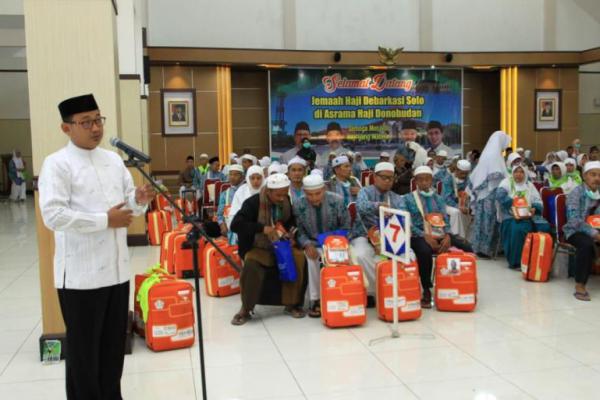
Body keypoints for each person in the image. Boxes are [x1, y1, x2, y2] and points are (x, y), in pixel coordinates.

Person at [38, 94, 155, 399]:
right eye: (85, 122)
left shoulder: (113, 159)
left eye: (98, 120)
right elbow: (54, 215)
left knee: (112, 350)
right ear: (67, 128)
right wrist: (105, 220)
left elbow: (126, 205)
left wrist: (138, 201)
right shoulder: (57, 164)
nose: (95, 128)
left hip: (116, 273)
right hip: (80, 277)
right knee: (84, 356)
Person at [230, 173, 306, 324]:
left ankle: (292, 304)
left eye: (285, 194)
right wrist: (262, 228)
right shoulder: (253, 203)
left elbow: (290, 221)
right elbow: (236, 225)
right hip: (257, 246)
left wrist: (290, 234)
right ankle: (246, 308)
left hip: (280, 244)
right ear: (269, 191)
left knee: (299, 258)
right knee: (251, 264)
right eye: (278, 194)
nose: (281, 198)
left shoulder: (285, 200)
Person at [401, 166, 472, 308]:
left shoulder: (438, 199)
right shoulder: (408, 199)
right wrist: (424, 235)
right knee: (424, 252)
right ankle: (426, 289)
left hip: (440, 233)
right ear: (415, 182)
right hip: (418, 235)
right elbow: (406, 223)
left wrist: (447, 236)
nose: (424, 183)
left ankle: (460, 285)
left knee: (467, 247)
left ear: (431, 180)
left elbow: (445, 219)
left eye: (427, 179)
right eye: (420, 180)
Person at [293, 174, 351, 317]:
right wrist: (306, 245)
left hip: (336, 242)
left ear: (324, 189)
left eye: (318, 193)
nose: (314, 198)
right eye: (310, 195)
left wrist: (335, 242)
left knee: (345, 257)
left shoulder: (337, 201)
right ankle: (316, 299)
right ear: (305, 193)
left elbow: (347, 226)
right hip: (313, 243)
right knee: (312, 259)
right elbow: (298, 230)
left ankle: (342, 294)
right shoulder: (298, 204)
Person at [351, 162, 404, 303]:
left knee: (409, 256)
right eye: (384, 177)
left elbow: (402, 218)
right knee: (361, 255)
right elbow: (361, 207)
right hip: (363, 234)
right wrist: (378, 206)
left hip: (389, 236)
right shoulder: (365, 192)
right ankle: (373, 292)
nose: (387, 181)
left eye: (391, 178)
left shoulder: (396, 198)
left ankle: (394, 288)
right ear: (375, 177)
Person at [496, 164, 550, 269]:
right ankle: (516, 262)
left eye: (521, 172)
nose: (519, 174)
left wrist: (535, 208)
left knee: (544, 228)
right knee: (518, 229)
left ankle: (539, 262)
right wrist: (515, 205)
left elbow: (537, 200)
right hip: (511, 215)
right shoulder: (506, 183)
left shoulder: (529, 185)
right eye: (516, 171)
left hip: (529, 215)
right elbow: (499, 196)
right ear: (513, 173)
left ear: (525, 173)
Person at [468, 131, 511, 259]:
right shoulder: (495, 156)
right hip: (490, 195)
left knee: (481, 221)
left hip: (483, 195)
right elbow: (497, 176)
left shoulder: (487, 155)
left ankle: (479, 247)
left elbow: (476, 177)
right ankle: (487, 249)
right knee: (489, 221)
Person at [563, 161, 600, 301]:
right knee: (586, 244)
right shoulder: (576, 193)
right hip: (575, 231)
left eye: (599, 175)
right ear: (585, 176)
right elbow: (574, 219)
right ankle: (580, 284)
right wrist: (594, 234)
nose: (596, 178)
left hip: (597, 229)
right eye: (593, 175)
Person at [441, 159, 472, 238]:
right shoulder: (448, 179)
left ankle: (467, 238)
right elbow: (446, 198)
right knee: (456, 212)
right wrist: (459, 206)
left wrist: (468, 207)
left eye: (466, 174)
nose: (464, 176)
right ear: (457, 170)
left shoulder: (468, 180)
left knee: (470, 212)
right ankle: (456, 237)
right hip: (446, 204)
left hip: (463, 204)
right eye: (462, 173)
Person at [216, 164, 245, 242]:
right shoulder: (225, 194)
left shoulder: (247, 191)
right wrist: (222, 226)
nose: (232, 177)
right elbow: (219, 214)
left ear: (242, 177)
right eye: (231, 174)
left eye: (236, 175)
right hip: (229, 230)